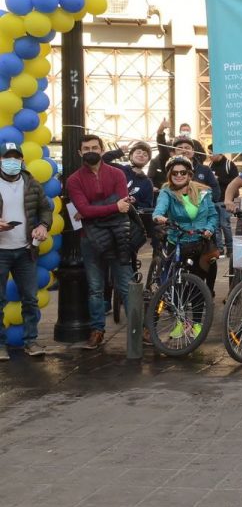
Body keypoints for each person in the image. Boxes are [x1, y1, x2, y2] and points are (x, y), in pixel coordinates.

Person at [66, 134, 135, 350]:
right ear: (80, 152)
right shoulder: (74, 180)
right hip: (91, 240)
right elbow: (85, 209)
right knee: (95, 288)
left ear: (103, 150)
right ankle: (97, 330)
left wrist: (94, 210)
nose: (90, 151)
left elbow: (120, 204)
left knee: (127, 286)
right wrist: (112, 207)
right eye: (86, 148)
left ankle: (139, 329)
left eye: (94, 147)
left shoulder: (117, 173)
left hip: (118, 238)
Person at [0, 142, 51, 359]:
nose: (12, 162)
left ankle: (31, 341)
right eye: (7, 158)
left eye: (16, 158)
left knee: (30, 298)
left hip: (25, 250)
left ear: (22, 160)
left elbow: (45, 208)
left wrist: (43, 225)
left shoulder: (31, 182)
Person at [153, 157, 219, 309]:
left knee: (199, 284)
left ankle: (196, 323)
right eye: (174, 172)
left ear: (190, 175)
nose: (179, 175)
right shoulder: (166, 192)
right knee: (175, 284)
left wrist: (209, 229)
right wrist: (159, 217)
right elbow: (159, 210)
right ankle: (179, 321)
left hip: (201, 241)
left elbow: (213, 215)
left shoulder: (204, 192)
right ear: (170, 175)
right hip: (177, 240)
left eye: (183, 172)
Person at [102, 141, 154, 210]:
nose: (141, 155)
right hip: (110, 211)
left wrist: (135, 202)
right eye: (138, 152)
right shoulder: (119, 169)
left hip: (130, 217)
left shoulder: (147, 182)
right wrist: (119, 152)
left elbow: (148, 205)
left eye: (145, 154)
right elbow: (102, 161)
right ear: (131, 156)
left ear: (148, 160)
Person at [208, 144, 239, 255]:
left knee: (225, 224)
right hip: (212, 200)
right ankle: (219, 249)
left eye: (211, 153)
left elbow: (236, 181)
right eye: (208, 153)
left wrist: (219, 179)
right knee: (215, 226)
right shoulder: (210, 165)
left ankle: (230, 249)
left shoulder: (229, 165)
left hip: (225, 200)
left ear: (219, 153)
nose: (209, 155)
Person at [170, 137, 220, 202]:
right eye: (180, 148)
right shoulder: (169, 171)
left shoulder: (205, 170)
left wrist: (201, 201)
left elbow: (215, 192)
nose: (184, 151)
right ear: (174, 152)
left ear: (193, 151)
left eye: (187, 148)